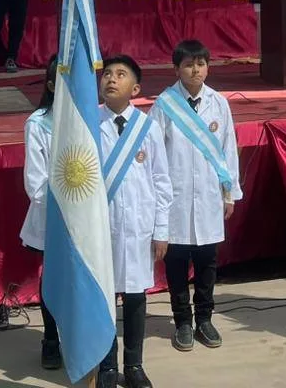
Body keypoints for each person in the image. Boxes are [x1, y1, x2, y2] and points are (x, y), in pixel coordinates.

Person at [149, 39, 242, 353]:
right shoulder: (164, 104)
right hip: (175, 198)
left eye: (200, 63)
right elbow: (153, 154)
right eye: (188, 64)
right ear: (176, 69)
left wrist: (230, 194)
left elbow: (228, 150)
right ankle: (182, 321)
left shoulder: (219, 103)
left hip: (208, 197)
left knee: (207, 261)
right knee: (176, 263)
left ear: (208, 66)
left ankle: (204, 317)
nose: (195, 70)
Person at [98, 55, 172, 388]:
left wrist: (161, 230)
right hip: (102, 227)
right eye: (108, 74)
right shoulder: (89, 124)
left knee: (136, 296)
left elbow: (161, 180)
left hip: (139, 226)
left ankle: (134, 364)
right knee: (104, 298)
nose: (111, 79)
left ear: (135, 88)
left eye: (121, 74)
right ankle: (107, 365)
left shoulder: (147, 127)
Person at [20, 56, 61, 371]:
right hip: (54, 216)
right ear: (51, 85)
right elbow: (36, 182)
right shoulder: (38, 123)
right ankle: (50, 338)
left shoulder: (98, 119)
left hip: (91, 216)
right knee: (54, 278)